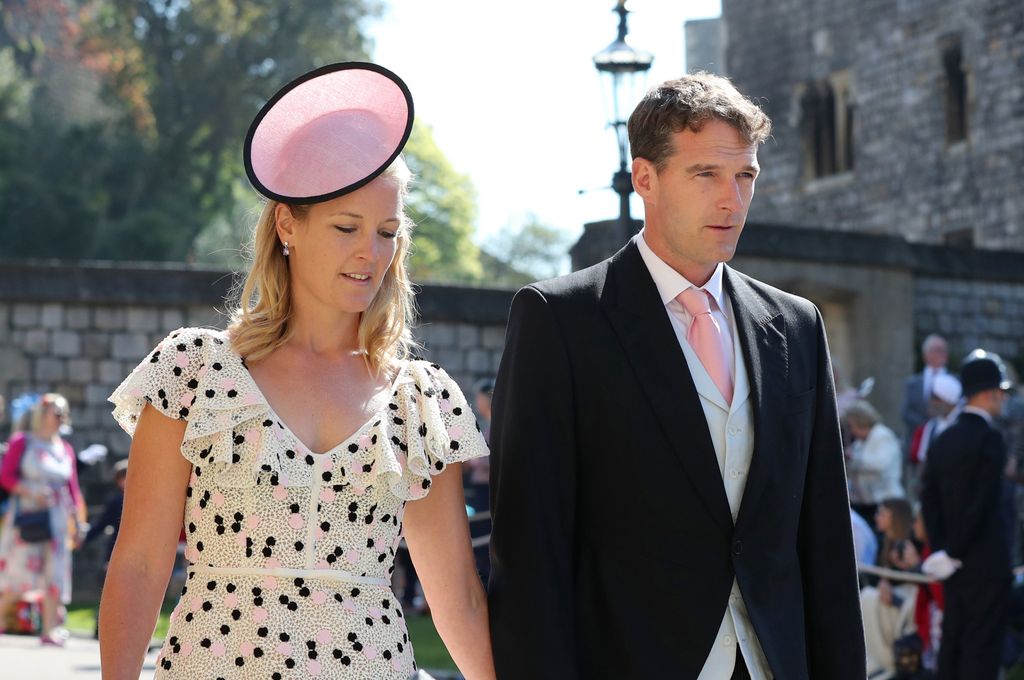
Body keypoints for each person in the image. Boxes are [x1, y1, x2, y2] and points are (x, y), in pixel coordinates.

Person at [98, 63, 495, 680]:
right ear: (287, 224)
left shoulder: (421, 402)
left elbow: (458, 598)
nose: (372, 251)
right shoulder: (194, 371)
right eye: (346, 227)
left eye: (388, 231)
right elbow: (140, 564)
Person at [488, 72, 865, 679]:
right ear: (645, 179)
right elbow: (532, 553)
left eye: (745, 177)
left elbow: (824, 541)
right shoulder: (561, 321)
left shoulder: (796, 326)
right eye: (706, 174)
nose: (732, 200)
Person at [921, 349, 1013, 680]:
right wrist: (955, 550)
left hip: (953, 565)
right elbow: (984, 503)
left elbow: (928, 498)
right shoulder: (990, 438)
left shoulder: (944, 437)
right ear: (989, 393)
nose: (1003, 398)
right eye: (1000, 392)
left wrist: (944, 548)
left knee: (953, 644)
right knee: (981, 649)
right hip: (985, 563)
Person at [0, 393, 87, 645]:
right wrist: (30, 491)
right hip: (28, 514)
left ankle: (49, 630)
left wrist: (78, 524)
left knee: (55, 574)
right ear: (43, 413)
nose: (60, 418)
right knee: (17, 571)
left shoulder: (65, 449)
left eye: (63, 412)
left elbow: (73, 489)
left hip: (58, 519)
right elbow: (6, 477)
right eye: (56, 412)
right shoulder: (22, 442)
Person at [860, 497, 918, 678]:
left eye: (882, 513)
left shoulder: (908, 545)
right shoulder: (884, 544)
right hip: (888, 601)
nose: (877, 517)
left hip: (905, 603)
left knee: (868, 597)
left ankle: (882, 660)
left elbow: (912, 583)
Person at [84, 457, 128, 638]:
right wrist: (84, 538)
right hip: (115, 553)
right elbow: (101, 525)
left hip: (132, 554)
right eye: (123, 477)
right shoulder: (116, 502)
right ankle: (101, 630)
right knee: (110, 594)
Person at [845, 400, 906, 524]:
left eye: (852, 426)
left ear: (861, 421)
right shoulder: (859, 442)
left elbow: (879, 464)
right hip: (864, 503)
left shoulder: (882, 435)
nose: (851, 431)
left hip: (886, 502)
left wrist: (852, 458)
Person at [901, 335, 949, 450]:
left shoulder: (955, 381)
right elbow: (906, 412)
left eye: (943, 350)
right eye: (936, 350)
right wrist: (927, 427)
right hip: (918, 443)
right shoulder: (913, 383)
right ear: (925, 355)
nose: (941, 354)